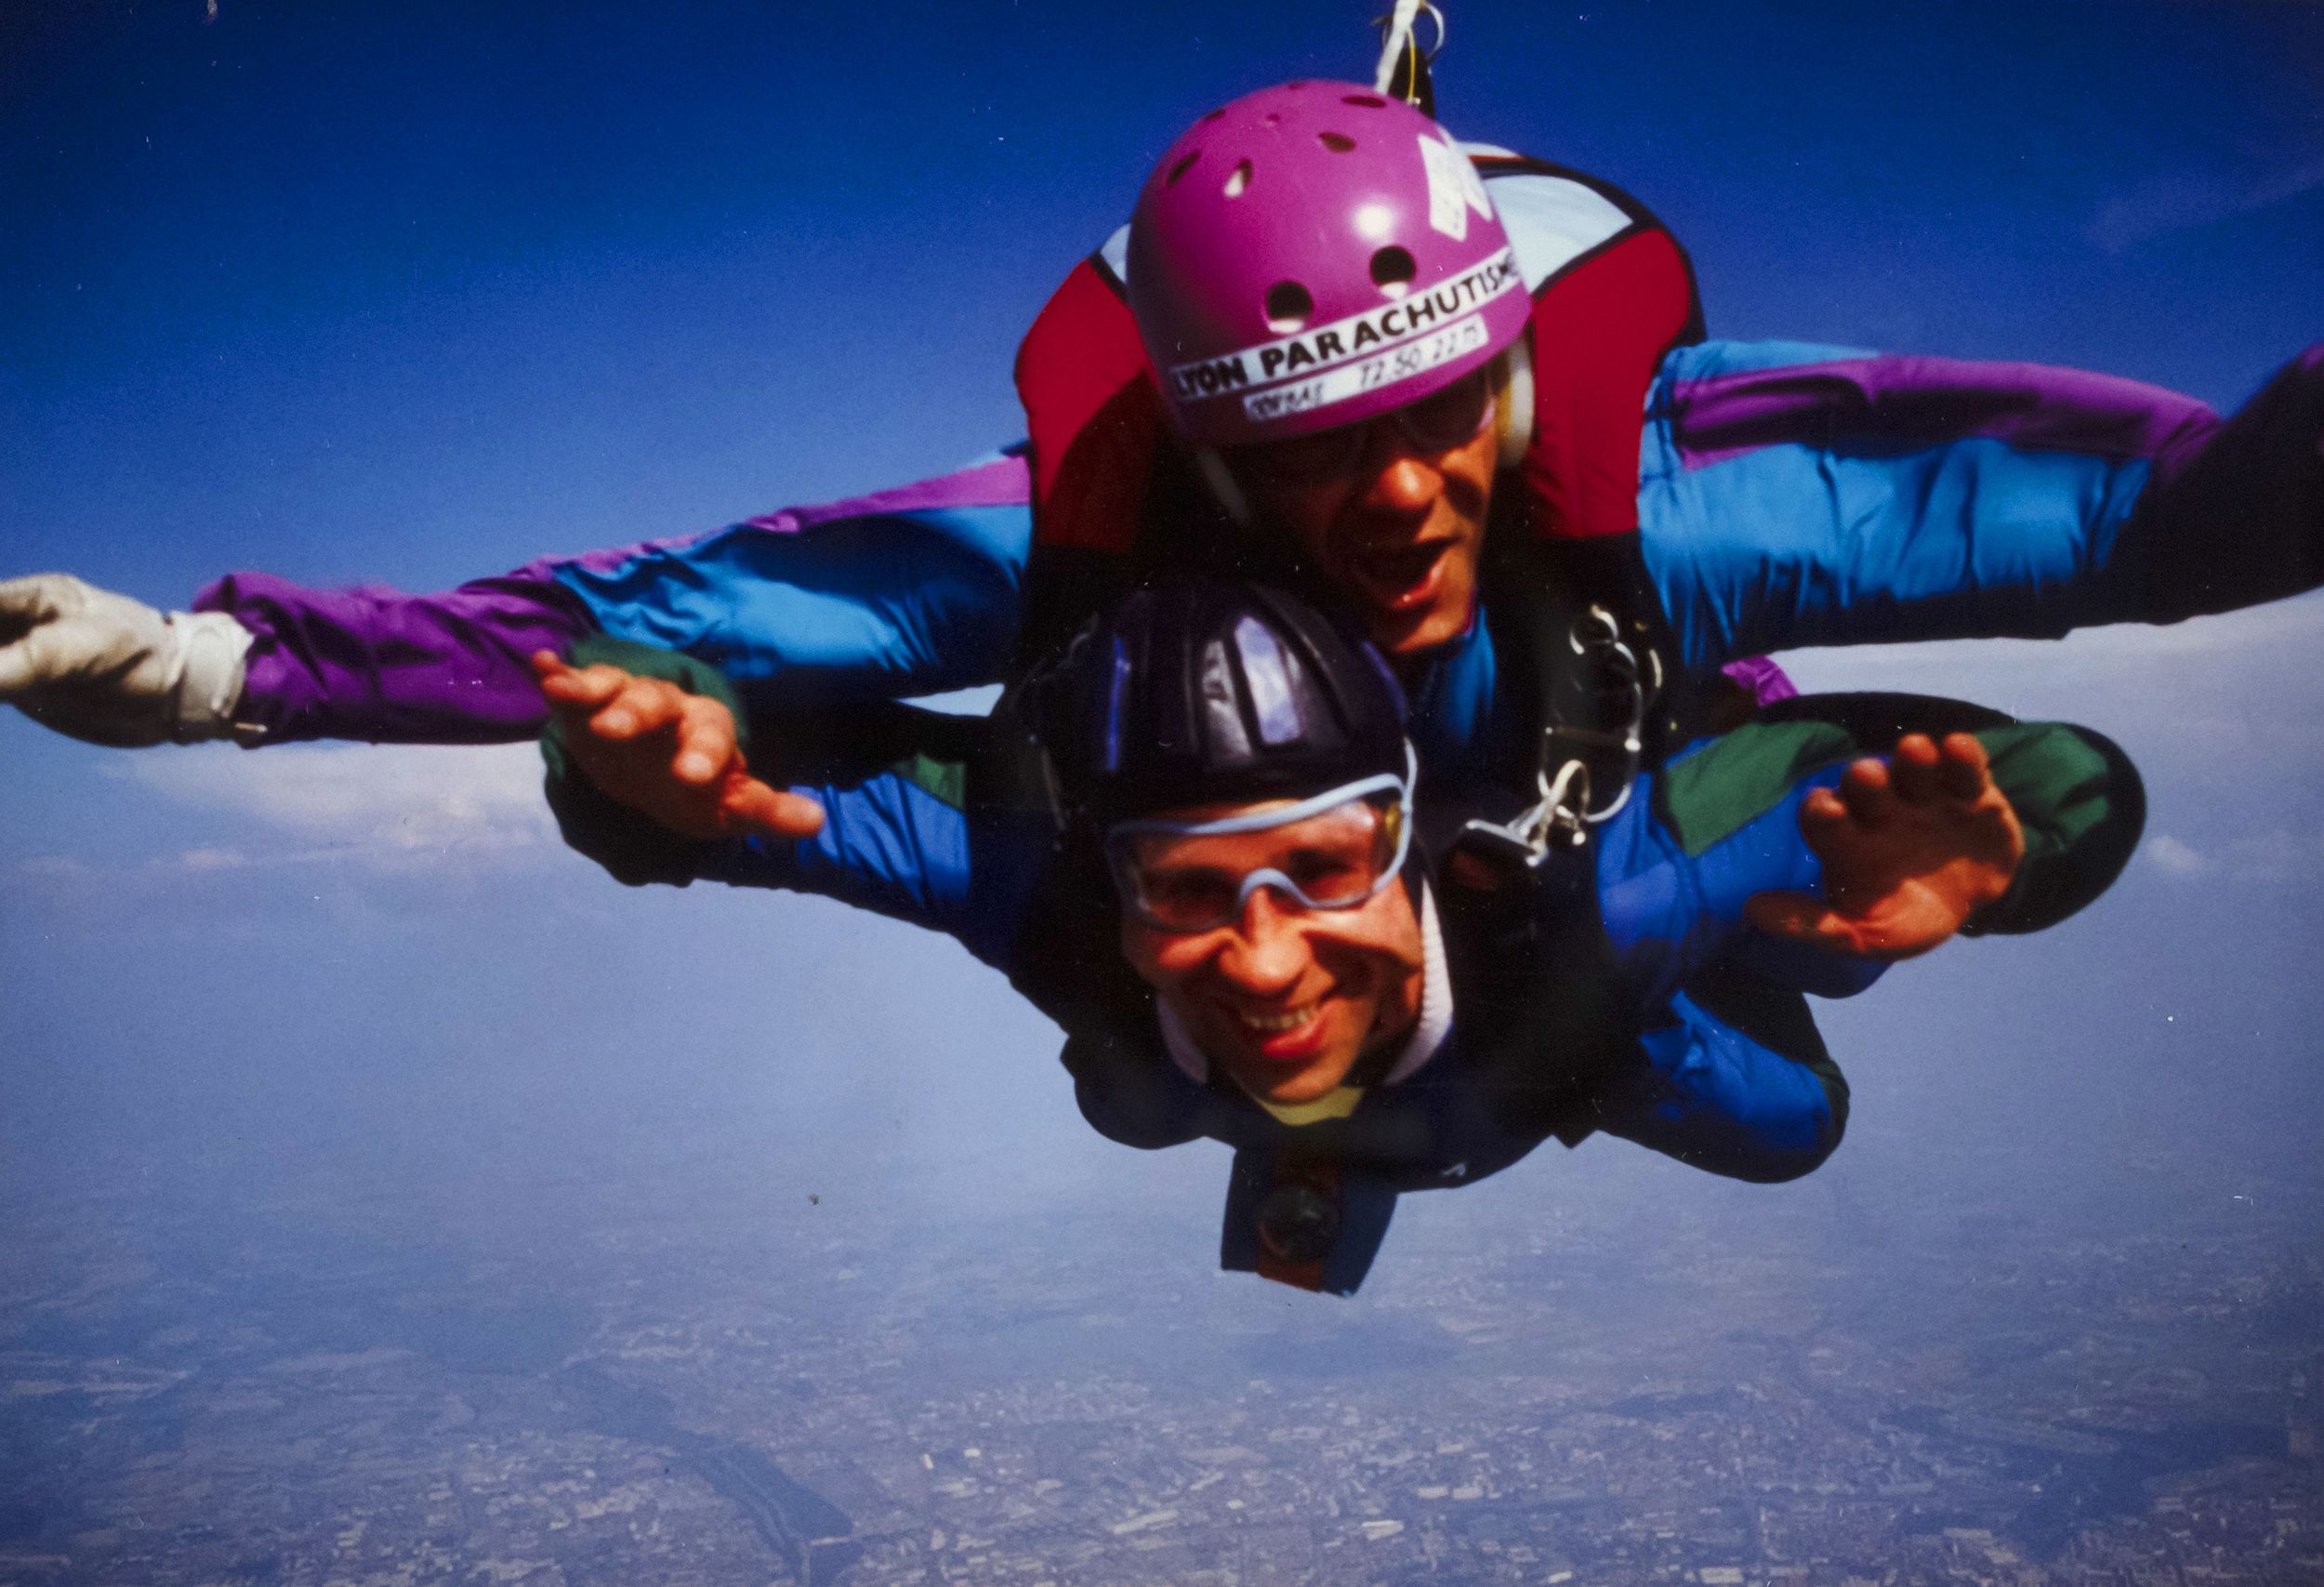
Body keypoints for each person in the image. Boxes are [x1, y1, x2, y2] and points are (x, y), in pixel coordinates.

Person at [0, 84, 2314, 776]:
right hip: (1308, 882)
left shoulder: (1691, 517)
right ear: (1209, 451)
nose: (1398, 494)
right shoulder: (1069, 546)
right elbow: (650, 623)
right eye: (1323, 456)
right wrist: (220, 668)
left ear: (1514, 377)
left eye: (1445, 421)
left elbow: (2166, 518)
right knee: (1134, 1018)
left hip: (1600, 752)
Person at [529, 579, 2145, 1295]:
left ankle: (1769, 961)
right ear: (1111, 866)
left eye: (1323, 868)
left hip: (1584, 1000)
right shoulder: (1035, 876)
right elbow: (709, 790)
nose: (1266, 958)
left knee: (1792, 1105)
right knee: (1148, 1089)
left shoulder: (1604, 884)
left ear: (1408, 835)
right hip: (1480, 1058)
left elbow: (2043, 781)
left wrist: (2000, 849)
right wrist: (640, 739)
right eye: (1183, 885)